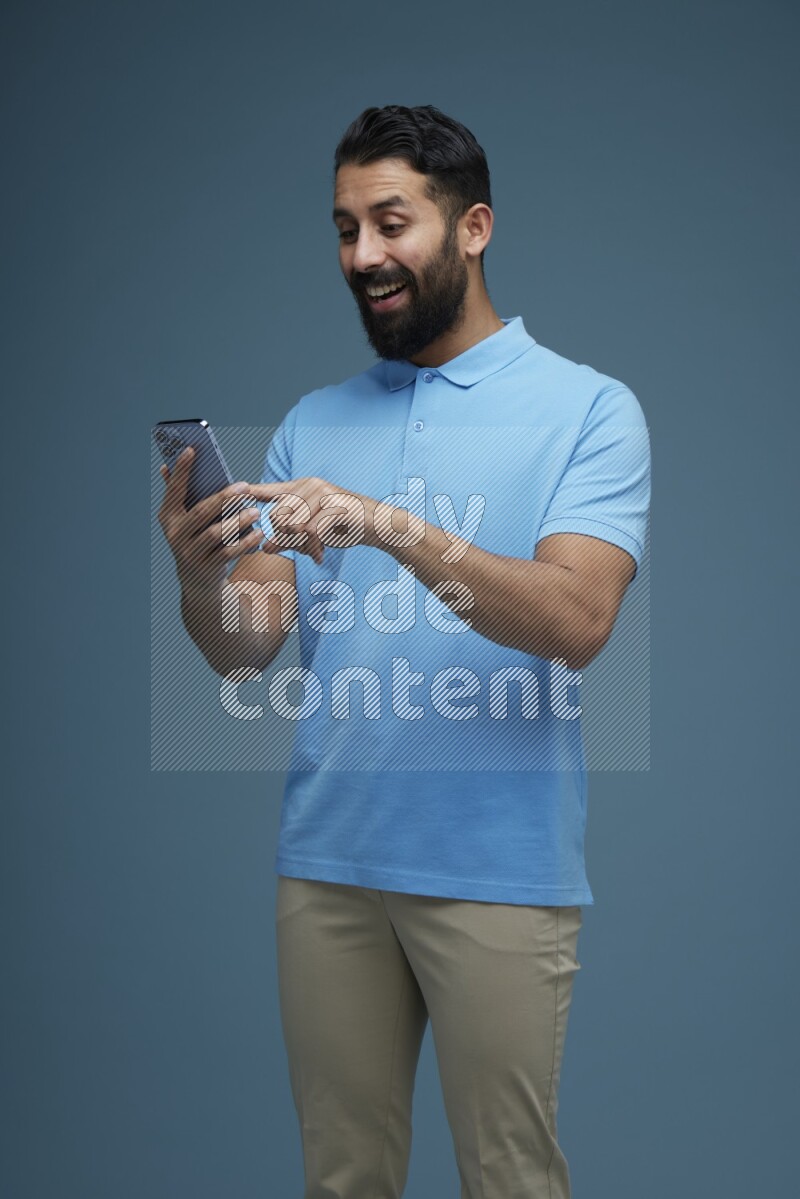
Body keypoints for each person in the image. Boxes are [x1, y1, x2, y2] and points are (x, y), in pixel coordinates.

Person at [158, 104, 651, 1199]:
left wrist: (387, 524)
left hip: (498, 870)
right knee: (341, 1180)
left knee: (510, 1180)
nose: (363, 256)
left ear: (472, 227)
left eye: (391, 222)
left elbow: (574, 622)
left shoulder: (587, 410)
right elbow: (247, 651)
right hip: (326, 864)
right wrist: (199, 575)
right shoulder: (311, 420)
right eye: (344, 229)